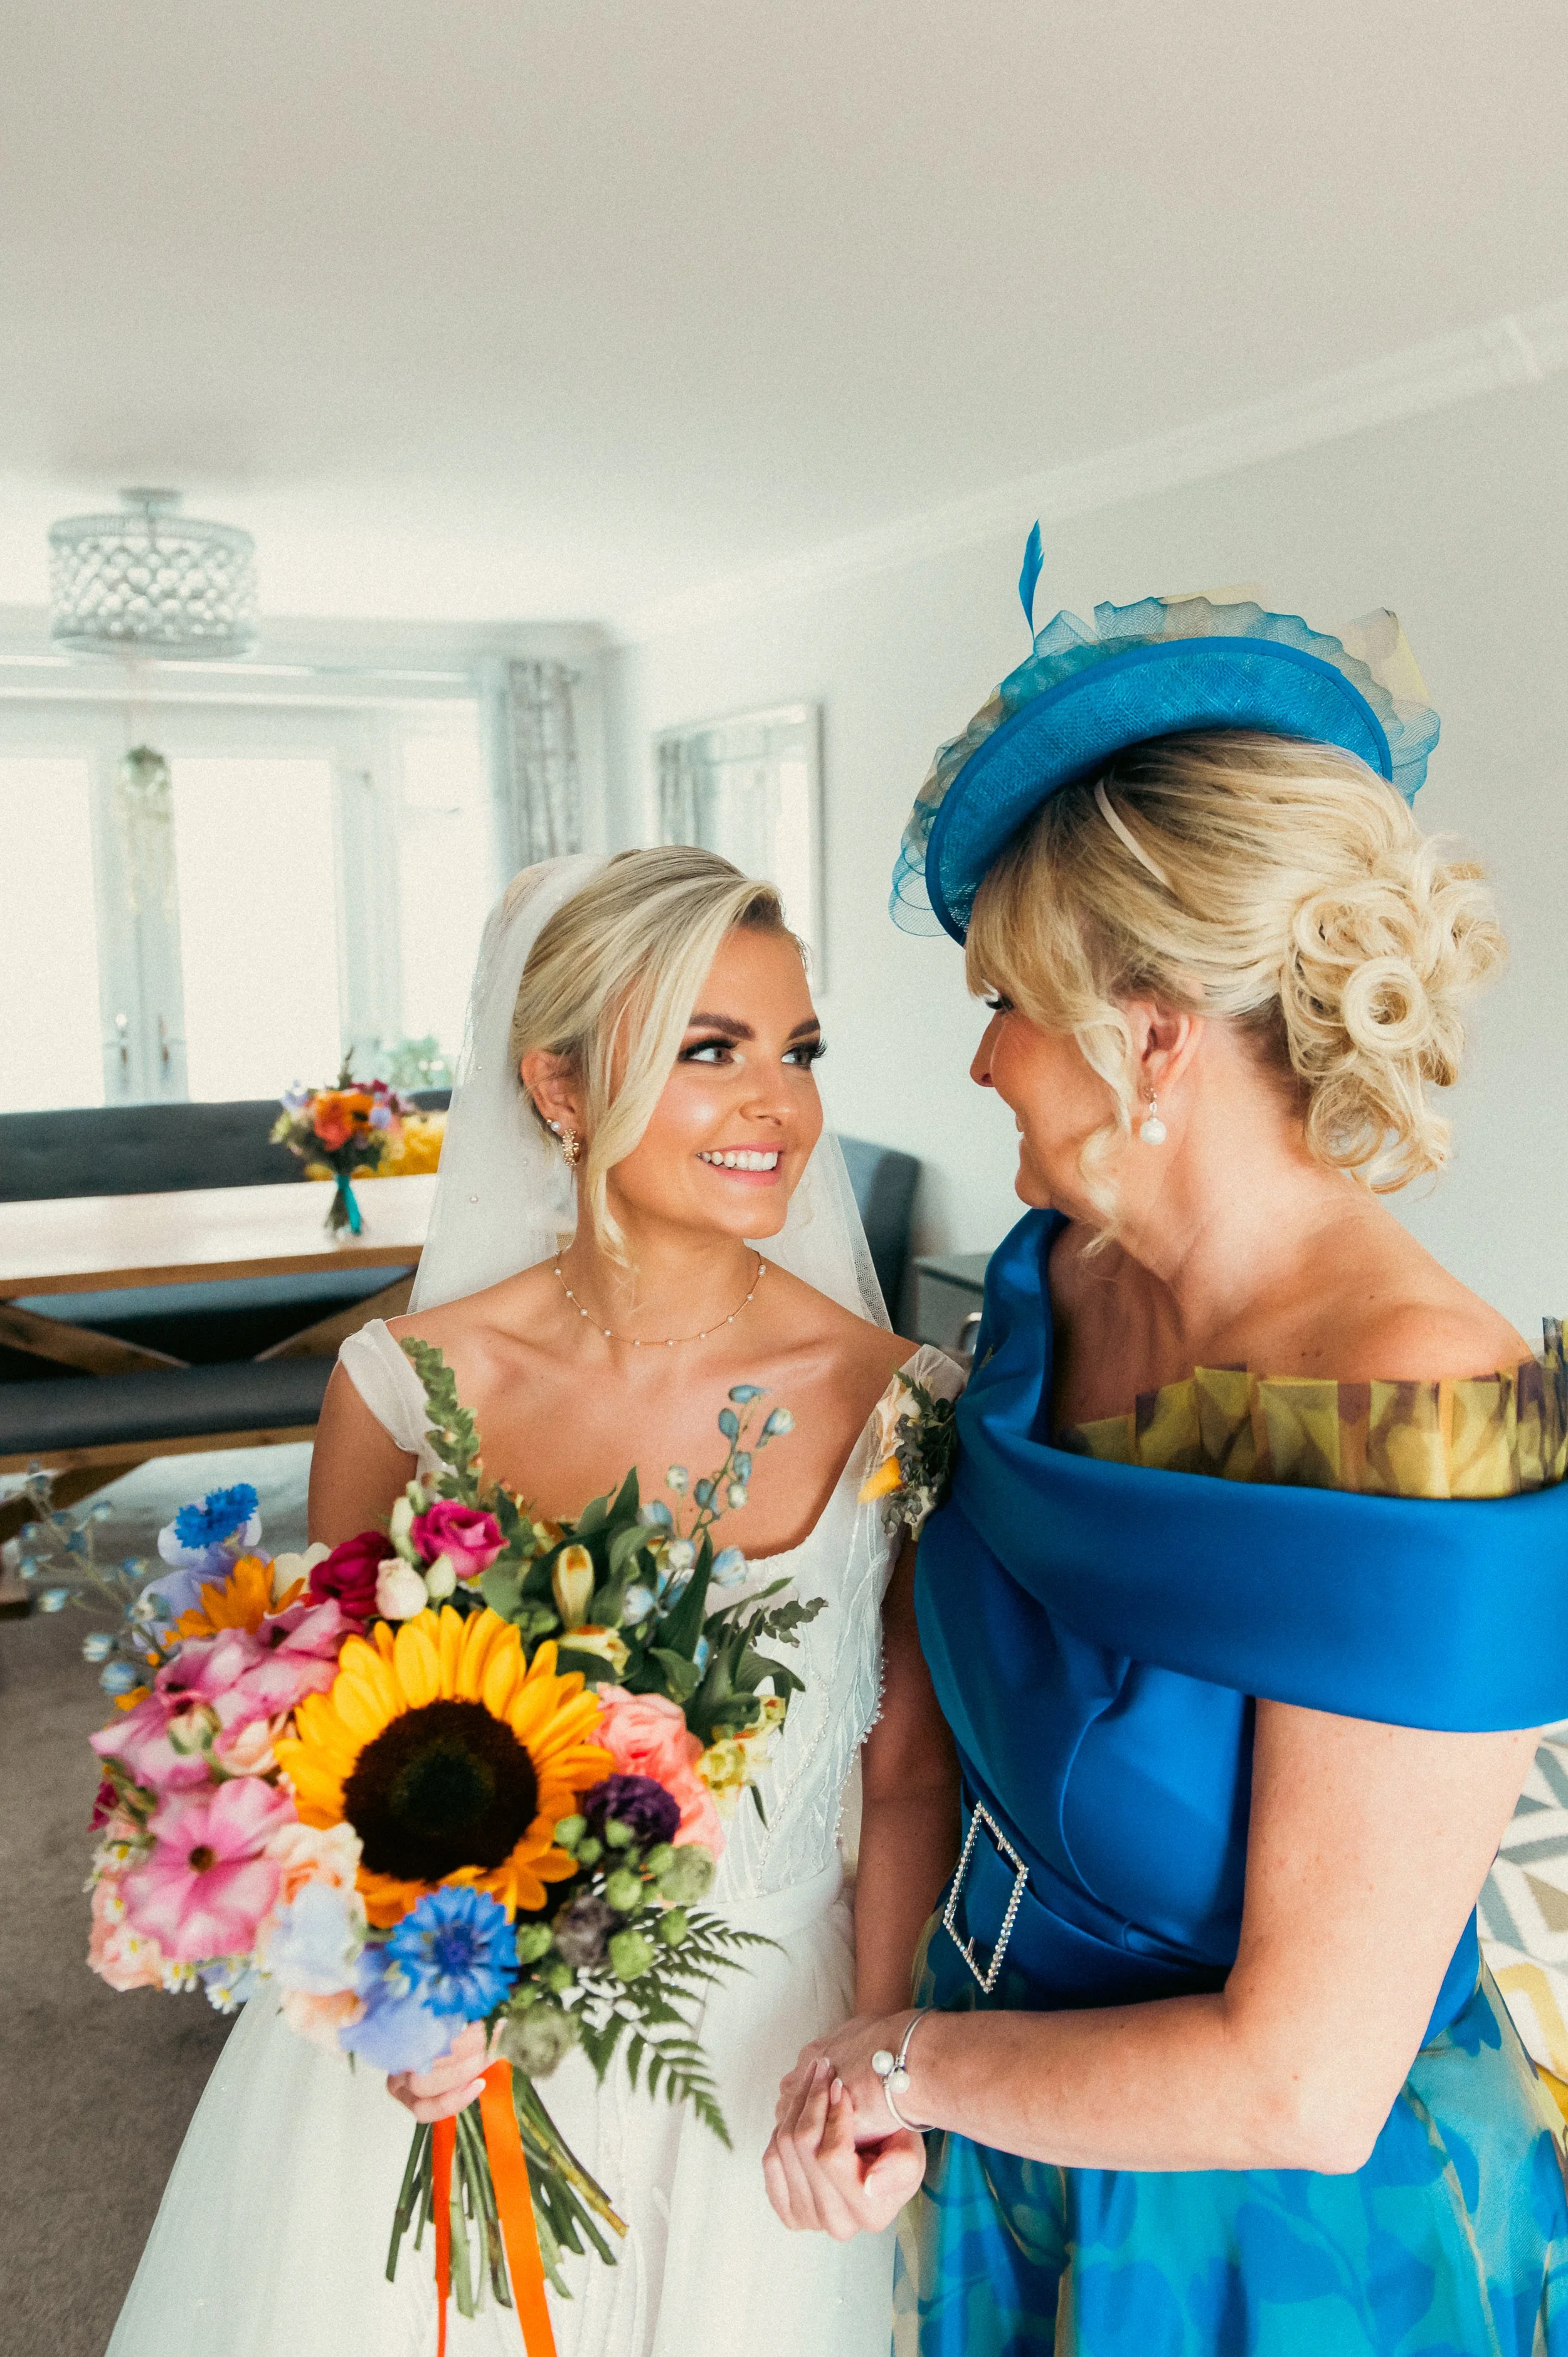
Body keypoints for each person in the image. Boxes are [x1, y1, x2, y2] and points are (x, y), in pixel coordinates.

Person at [763, 577, 1568, 2353]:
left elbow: (1301, 2084)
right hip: (998, 2123)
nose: (976, 1058)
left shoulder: (1424, 1416)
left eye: (1003, 1006)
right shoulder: (1051, 1286)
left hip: (1278, 2245)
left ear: (1145, 1030)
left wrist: (893, 2060)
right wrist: (910, 2068)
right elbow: (927, 1710)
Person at [107, 847, 962, 2357]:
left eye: (797, 1051)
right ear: (557, 1089)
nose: (778, 1104)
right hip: (466, 2025)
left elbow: (903, 1772)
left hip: (767, 2034)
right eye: (711, 1050)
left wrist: (874, 2059)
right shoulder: (401, 1389)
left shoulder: (895, 1401)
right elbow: (333, 1765)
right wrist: (384, 2006)